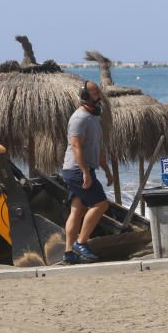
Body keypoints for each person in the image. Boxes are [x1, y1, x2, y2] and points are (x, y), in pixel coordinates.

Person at [61, 80, 114, 264]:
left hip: (81, 168)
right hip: (76, 169)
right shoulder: (79, 118)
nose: (99, 96)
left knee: (77, 210)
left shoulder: (93, 118)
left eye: (98, 92)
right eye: (95, 93)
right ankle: (81, 243)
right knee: (100, 204)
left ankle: (69, 253)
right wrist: (85, 172)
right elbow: (76, 146)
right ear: (85, 97)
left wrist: (106, 170)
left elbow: (95, 148)